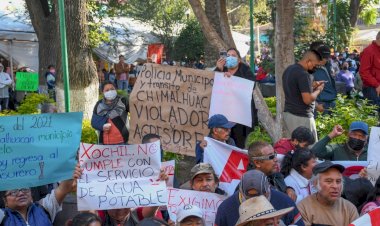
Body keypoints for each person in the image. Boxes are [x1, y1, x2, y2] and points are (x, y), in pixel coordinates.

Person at [0, 164, 82, 226]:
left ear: (31, 196)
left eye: (25, 189)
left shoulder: (44, 208)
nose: (21, 193)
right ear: (5, 201)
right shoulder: (2, 216)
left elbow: (63, 189)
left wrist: (70, 173)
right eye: (14, 191)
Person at [215, 170, 304, 226]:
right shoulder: (225, 208)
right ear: (241, 192)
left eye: (277, 222)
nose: (256, 200)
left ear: (268, 189)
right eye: (269, 224)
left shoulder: (285, 201)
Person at [215, 47, 257, 148]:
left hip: (241, 116)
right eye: (228, 56)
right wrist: (218, 70)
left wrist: (233, 80)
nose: (230, 58)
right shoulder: (221, 70)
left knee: (240, 142)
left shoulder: (245, 70)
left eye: (233, 56)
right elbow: (212, 86)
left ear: (238, 60)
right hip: (225, 114)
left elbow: (251, 86)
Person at [297, 161, 359, 226]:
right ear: (315, 183)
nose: (335, 186)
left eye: (338, 181)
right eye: (329, 181)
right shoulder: (304, 208)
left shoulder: (349, 209)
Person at [282, 50, 324, 141]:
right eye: (315, 65)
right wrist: (318, 90)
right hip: (301, 117)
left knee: (295, 147)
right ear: (308, 61)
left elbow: (295, 88)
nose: (315, 68)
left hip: (289, 113)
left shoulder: (289, 69)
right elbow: (307, 100)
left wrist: (312, 85)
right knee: (308, 149)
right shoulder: (303, 74)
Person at [313, 45, 337, 115]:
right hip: (320, 104)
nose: (324, 60)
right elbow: (305, 90)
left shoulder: (328, 65)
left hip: (332, 102)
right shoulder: (310, 68)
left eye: (327, 58)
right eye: (323, 57)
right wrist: (316, 105)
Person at [359, 31, 380, 112]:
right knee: (374, 115)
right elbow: (364, 72)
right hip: (372, 88)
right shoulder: (368, 51)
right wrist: (377, 85)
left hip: (376, 87)